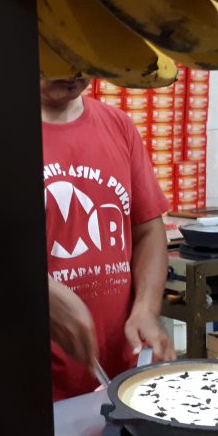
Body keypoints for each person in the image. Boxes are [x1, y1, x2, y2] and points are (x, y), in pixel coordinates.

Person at [41, 78, 175, 400]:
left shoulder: (119, 126)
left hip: (121, 376)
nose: (72, 72)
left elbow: (147, 230)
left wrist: (145, 308)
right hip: (38, 393)